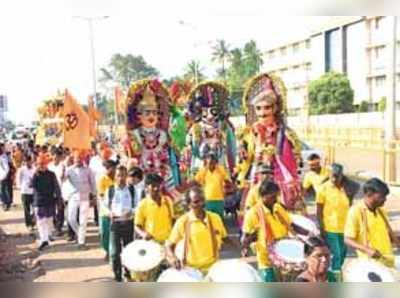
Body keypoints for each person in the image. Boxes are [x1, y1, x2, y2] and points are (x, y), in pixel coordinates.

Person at [241, 179, 310, 282]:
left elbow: (291, 225)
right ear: (262, 196)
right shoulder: (253, 213)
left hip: (285, 257)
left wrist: (310, 234)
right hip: (267, 262)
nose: (275, 199)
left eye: (276, 196)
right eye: (272, 197)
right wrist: (248, 243)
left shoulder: (277, 207)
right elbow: (245, 239)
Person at [166, 185, 227, 273]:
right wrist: (173, 258)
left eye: (203, 200)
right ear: (189, 204)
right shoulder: (182, 222)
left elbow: (224, 238)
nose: (201, 204)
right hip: (191, 270)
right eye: (196, 202)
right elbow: (169, 246)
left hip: (213, 268)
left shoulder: (215, 218)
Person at [345, 178, 400, 268]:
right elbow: (347, 239)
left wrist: (396, 239)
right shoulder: (356, 211)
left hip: (388, 262)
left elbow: (385, 235)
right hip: (370, 265)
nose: (385, 199)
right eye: (382, 196)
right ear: (369, 194)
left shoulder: (381, 211)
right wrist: (367, 250)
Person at [316, 163, 350, 274]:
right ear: (329, 175)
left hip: (345, 229)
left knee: (343, 254)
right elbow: (319, 211)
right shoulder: (323, 189)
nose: (334, 179)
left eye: (337, 176)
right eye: (332, 176)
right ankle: (335, 279)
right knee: (336, 255)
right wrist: (322, 228)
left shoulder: (346, 188)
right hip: (330, 228)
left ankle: (332, 274)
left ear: (341, 175)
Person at [105, 165, 135, 282]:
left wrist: (131, 212)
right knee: (114, 253)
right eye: (118, 175)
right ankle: (117, 276)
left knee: (128, 251)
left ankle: (128, 273)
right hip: (115, 224)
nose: (121, 178)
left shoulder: (132, 189)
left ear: (126, 176)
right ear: (115, 177)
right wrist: (109, 213)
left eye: (123, 175)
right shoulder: (110, 190)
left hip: (128, 223)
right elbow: (104, 205)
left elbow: (138, 205)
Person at [64, 151, 96, 249]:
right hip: (73, 197)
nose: (78, 160)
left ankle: (81, 242)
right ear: (73, 159)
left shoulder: (88, 170)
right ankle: (80, 234)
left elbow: (93, 183)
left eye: (80, 158)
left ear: (83, 159)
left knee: (83, 220)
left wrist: (94, 196)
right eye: (76, 158)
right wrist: (65, 164)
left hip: (85, 196)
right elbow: (62, 180)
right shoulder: (69, 170)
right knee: (71, 218)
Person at [31, 155, 61, 251]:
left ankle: (48, 235)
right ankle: (44, 240)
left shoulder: (51, 174)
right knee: (41, 221)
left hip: (50, 201)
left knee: (49, 220)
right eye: (39, 164)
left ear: (46, 164)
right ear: (37, 165)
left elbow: (56, 187)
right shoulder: (35, 175)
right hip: (39, 202)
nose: (41, 166)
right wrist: (35, 174)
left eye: (43, 164)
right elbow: (31, 185)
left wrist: (59, 198)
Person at [135, 173, 174, 244]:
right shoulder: (142, 204)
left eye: (158, 186)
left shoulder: (168, 201)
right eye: (153, 186)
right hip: (152, 244)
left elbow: (172, 220)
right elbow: (137, 226)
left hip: (168, 242)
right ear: (146, 187)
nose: (156, 189)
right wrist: (144, 234)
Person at [194, 153, 231, 219]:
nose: (210, 164)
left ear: (215, 162)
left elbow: (227, 180)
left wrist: (226, 189)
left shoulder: (220, 169)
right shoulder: (203, 170)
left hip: (219, 200)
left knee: (219, 220)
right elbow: (196, 181)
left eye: (212, 162)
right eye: (208, 162)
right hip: (208, 200)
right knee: (209, 220)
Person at [97, 160, 117, 260]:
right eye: (107, 168)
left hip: (116, 211)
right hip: (105, 211)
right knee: (105, 233)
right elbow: (101, 197)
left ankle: (112, 252)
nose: (109, 170)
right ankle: (107, 250)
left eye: (111, 168)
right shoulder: (102, 179)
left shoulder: (118, 179)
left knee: (114, 233)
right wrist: (108, 210)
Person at [48, 148, 66, 236]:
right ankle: (55, 225)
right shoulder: (49, 166)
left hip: (61, 190)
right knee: (52, 210)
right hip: (51, 191)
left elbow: (64, 178)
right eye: (54, 157)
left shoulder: (63, 166)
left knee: (60, 209)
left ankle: (59, 227)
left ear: (59, 157)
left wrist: (63, 173)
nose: (55, 158)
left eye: (57, 157)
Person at [17, 155, 35, 230]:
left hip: (33, 192)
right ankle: (29, 224)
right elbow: (18, 179)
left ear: (31, 161)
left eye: (29, 161)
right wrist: (20, 187)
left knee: (35, 208)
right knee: (26, 209)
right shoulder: (21, 169)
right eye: (26, 161)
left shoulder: (34, 169)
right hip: (24, 191)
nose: (28, 163)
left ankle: (33, 221)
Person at [0, 143, 13, 211]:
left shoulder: (4, 156)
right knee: (3, 190)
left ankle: (6, 204)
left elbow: (7, 168)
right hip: (3, 176)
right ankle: (6, 203)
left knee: (4, 190)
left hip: (4, 177)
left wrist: (3, 176)